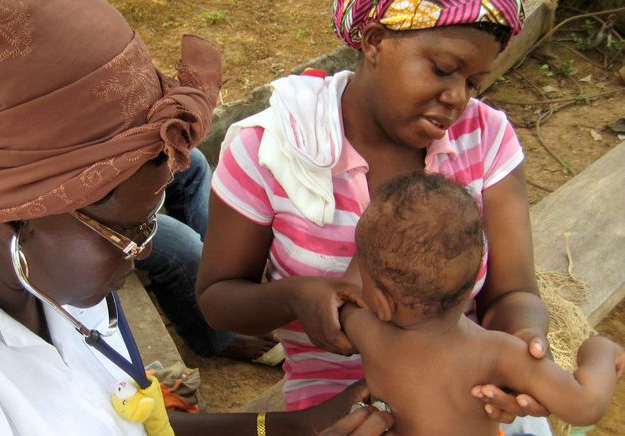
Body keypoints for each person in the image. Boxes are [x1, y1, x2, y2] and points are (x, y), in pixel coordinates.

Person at [0, 1, 392, 435]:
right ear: (14, 215)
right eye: (130, 230)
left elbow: (117, 420)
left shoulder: (43, 267)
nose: (148, 249)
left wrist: (298, 426)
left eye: (153, 212)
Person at [196, 0, 553, 433]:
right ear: (375, 41)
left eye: (474, 82)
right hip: (336, 412)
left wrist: (522, 350)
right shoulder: (272, 149)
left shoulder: (486, 139)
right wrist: (295, 298)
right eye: (442, 68)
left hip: (469, 390)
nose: (457, 97)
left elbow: (512, 293)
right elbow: (218, 298)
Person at [340, 171, 625, 435]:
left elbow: (341, 306)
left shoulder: (367, 331)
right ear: (473, 282)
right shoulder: (496, 353)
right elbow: (585, 405)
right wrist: (599, 349)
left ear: (380, 301)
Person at [134, 147, 278, 360]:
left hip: (110, 178)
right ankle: (216, 339)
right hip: (88, 213)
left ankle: (226, 292)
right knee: (183, 250)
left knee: (192, 162)